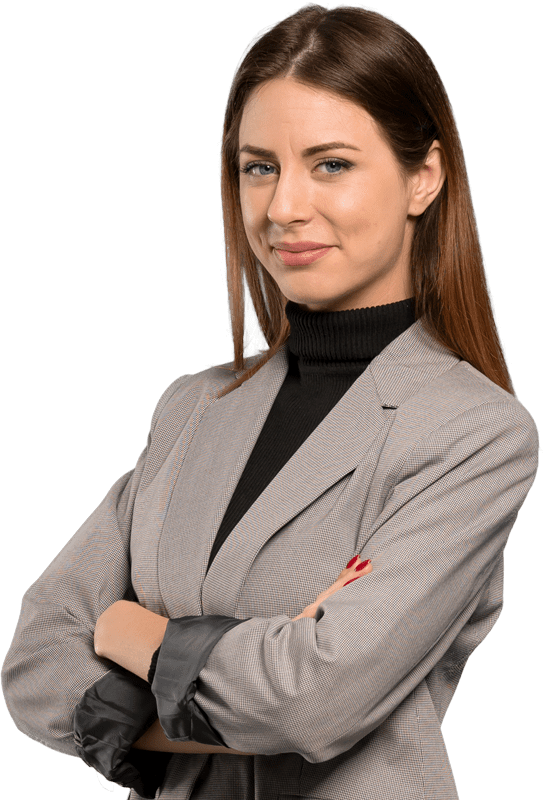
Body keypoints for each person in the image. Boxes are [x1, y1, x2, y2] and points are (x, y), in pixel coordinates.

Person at [2, 3, 540, 799]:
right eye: (258, 167)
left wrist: (133, 633)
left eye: (331, 164)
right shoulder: (189, 408)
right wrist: (230, 668)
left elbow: (311, 700)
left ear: (422, 177)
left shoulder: (474, 433)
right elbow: (36, 660)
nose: (283, 208)